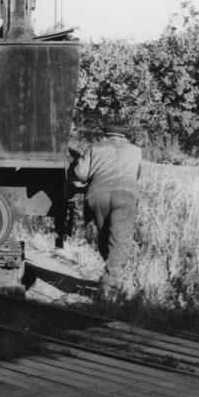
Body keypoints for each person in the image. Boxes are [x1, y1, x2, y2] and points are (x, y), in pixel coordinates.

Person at [72, 123, 142, 297]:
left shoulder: (95, 147)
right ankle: (109, 287)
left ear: (105, 135)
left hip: (98, 196)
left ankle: (110, 281)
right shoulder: (136, 150)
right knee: (118, 242)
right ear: (125, 136)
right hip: (126, 196)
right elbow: (137, 175)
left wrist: (79, 162)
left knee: (104, 239)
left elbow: (81, 175)